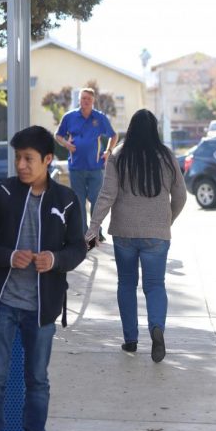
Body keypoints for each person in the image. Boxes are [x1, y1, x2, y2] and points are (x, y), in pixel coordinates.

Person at [0, 125, 86, 431]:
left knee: (38, 380)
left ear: (48, 160)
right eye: (18, 158)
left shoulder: (66, 200)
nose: (21, 165)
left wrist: (56, 260)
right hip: (2, 302)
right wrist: (7, 256)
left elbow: (78, 247)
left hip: (42, 307)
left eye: (28, 159)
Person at [85, 109, 187, 363]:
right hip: (157, 234)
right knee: (155, 285)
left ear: (130, 128)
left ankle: (130, 340)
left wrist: (93, 228)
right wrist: (167, 220)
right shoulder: (166, 156)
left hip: (124, 233)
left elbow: (106, 195)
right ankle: (157, 329)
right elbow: (182, 196)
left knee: (126, 284)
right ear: (155, 130)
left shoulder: (119, 155)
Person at [55, 88, 118, 239]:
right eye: (83, 98)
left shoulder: (100, 118)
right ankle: (84, 232)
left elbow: (113, 135)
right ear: (79, 100)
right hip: (76, 167)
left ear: (93, 101)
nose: (85, 101)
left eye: (88, 99)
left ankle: (96, 231)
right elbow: (58, 135)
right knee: (79, 200)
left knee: (96, 200)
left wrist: (108, 151)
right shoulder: (69, 117)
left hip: (95, 167)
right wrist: (67, 145)